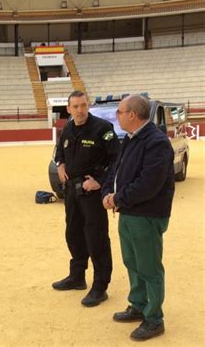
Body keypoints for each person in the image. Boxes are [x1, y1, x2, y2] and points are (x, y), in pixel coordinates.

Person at [102, 95, 174, 341]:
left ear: (132, 115)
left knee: (149, 267)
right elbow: (116, 171)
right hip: (130, 212)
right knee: (132, 262)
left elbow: (149, 184)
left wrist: (118, 199)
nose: (117, 116)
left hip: (146, 215)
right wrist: (108, 193)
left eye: (120, 112)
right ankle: (138, 304)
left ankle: (154, 318)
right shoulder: (132, 139)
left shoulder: (156, 142)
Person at [52, 90, 120, 307]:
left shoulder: (102, 129)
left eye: (83, 105)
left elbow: (116, 160)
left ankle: (100, 287)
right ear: (69, 109)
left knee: (96, 238)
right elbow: (59, 153)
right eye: (76, 107)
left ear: (87, 105)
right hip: (72, 191)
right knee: (73, 234)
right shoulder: (68, 128)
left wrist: (100, 181)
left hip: (91, 193)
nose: (80, 110)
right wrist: (61, 165)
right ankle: (77, 277)